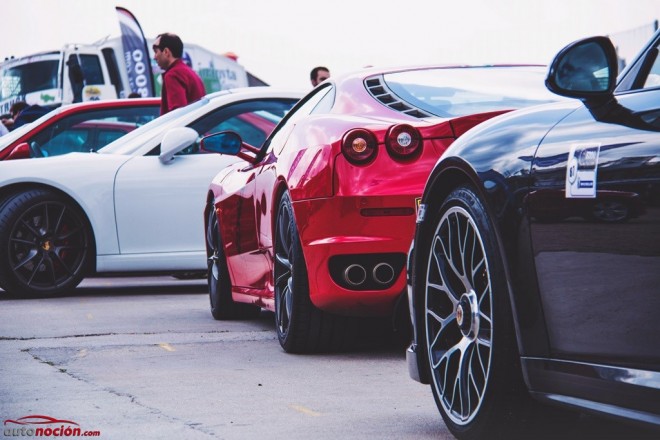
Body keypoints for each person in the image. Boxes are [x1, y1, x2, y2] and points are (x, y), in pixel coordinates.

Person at [153, 33, 206, 115]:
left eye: (156, 51)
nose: (154, 57)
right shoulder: (191, 73)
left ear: (166, 52)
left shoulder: (173, 75)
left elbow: (178, 114)